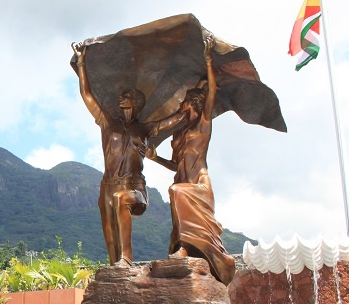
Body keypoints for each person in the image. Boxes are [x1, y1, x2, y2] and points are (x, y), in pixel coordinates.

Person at [74, 43, 186, 267]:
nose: (120, 99)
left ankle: (127, 258)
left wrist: (191, 99)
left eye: (125, 96)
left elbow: (174, 119)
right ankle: (118, 270)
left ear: (135, 102)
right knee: (109, 231)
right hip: (108, 185)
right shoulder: (108, 123)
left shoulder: (144, 128)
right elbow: (86, 95)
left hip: (134, 189)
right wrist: (81, 63)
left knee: (120, 199)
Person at [146, 35, 235, 284]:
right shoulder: (180, 136)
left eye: (185, 103)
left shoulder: (202, 127)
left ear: (194, 105)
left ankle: (184, 248)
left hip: (198, 186)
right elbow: (176, 166)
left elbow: (212, 91)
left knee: (176, 192)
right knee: (176, 191)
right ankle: (189, 250)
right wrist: (155, 158)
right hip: (183, 182)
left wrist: (208, 61)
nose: (181, 107)